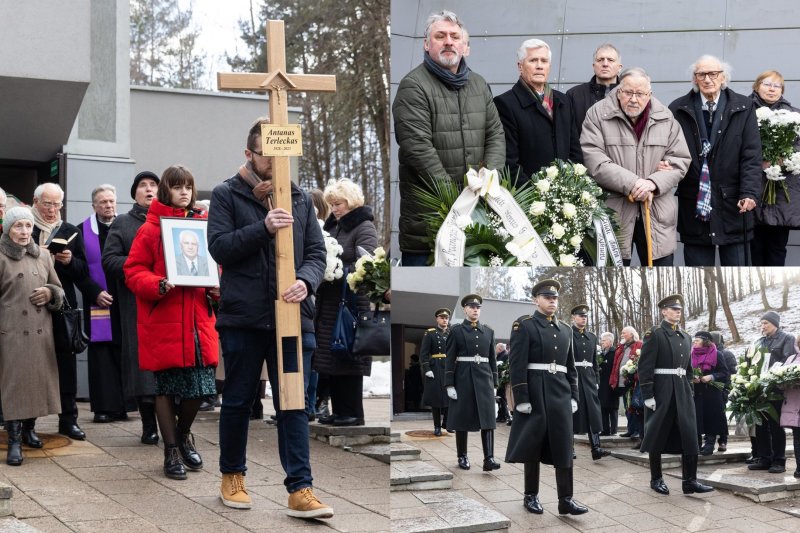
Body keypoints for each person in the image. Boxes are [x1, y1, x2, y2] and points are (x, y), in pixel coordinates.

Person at [208, 118, 332, 517]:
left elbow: (316, 252)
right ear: (249, 153)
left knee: (294, 405)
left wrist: (307, 282)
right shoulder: (227, 194)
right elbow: (219, 248)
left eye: (283, 154)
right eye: (267, 153)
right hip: (244, 320)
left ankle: (300, 488)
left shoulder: (298, 198)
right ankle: (232, 476)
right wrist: (262, 227)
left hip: (293, 319)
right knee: (239, 401)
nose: (276, 161)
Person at [125, 165, 219, 481]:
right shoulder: (151, 229)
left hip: (197, 319)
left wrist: (217, 286)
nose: (184, 192)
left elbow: (215, 267)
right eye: (177, 187)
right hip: (164, 319)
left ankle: (181, 434)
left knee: (199, 387)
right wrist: (158, 284)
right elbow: (133, 271)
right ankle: (171, 450)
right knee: (165, 387)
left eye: (188, 187)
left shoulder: (203, 226)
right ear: (167, 190)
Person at [393, 9, 505, 265]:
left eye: (455, 36)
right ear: (426, 43)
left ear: (466, 46)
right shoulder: (413, 86)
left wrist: (488, 180)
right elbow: (417, 148)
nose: (448, 41)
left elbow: (495, 134)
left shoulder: (479, 84)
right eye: (440, 36)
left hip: (477, 214)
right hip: (429, 222)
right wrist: (458, 200)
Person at [582, 67, 691, 266]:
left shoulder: (665, 118)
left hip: (656, 213)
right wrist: (634, 183)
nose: (633, 99)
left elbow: (680, 161)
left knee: (660, 278)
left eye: (640, 94)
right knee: (611, 279)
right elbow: (594, 159)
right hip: (614, 212)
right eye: (628, 92)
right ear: (618, 90)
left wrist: (652, 183)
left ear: (649, 94)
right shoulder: (598, 114)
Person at [669, 55, 761, 266]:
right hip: (694, 202)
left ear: (723, 77)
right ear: (695, 78)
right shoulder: (678, 108)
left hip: (734, 205)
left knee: (738, 277)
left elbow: (751, 155)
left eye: (713, 74)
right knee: (699, 276)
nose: (708, 79)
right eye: (701, 74)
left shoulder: (744, 107)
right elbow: (669, 149)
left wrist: (749, 192)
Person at [505, 280, 587, 515]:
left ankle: (566, 500)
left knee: (563, 445)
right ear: (535, 300)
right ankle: (530, 495)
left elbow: (570, 367)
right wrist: (521, 396)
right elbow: (516, 363)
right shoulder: (524, 325)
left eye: (555, 298)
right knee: (533, 444)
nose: (552, 300)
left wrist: (574, 395)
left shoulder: (565, 329)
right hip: (535, 392)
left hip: (560, 393)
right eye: (547, 297)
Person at [31, 182, 99, 441]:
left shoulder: (70, 231)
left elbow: (83, 271)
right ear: (36, 202)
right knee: (33, 363)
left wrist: (70, 261)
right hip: (34, 302)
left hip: (63, 305)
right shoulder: (27, 227)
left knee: (66, 362)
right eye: (47, 203)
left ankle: (68, 419)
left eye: (57, 204)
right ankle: (29, 422)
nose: (52, 209)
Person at [0, 207, 65, 465]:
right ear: (8, 229)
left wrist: (51, 293)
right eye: (19, 226)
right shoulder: (1, 256)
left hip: (41, 332)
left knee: (38, 384)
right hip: (11, 332)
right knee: (15, 386)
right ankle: (14, 438)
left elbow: (59, 288)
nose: (25, 232)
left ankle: (29, 429)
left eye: (28, 226)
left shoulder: (44, 256)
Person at [102, 171, 161, 445]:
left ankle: (174, 425)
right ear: (134, 193)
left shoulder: (171, 221)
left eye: (153, 185)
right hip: (136, 303)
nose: (149, 190)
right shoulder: (123, 223)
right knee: (142, 365)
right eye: (143, 186)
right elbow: (110, 260)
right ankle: (149, 424)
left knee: (170, 364)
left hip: (169, 302)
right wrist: (140, 265)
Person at [313, 178, 377, 427]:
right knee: (333, 358)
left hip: (351, 303)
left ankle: (353, 413)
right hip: (331, 302)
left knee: (349, 358)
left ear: (351, 202)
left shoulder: (363, 227)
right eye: (331, 204)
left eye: (338, 203)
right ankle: (340, 411)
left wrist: (337, 268)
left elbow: (367, 265)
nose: (335, 209)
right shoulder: (335, 227)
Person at [638, 294, 713, 496]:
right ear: (664, 311)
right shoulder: (654, 334)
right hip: (662, 390)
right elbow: (645, 366)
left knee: (690, 435)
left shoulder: (686, 337)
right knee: (657, 433)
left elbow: (688, 369)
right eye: (673, 308)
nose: (677, 311)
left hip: (681, 390)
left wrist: (688, 389)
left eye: (679, 308)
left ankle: (690, 481)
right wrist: (648, 394)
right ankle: (656, 478)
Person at [494, 38, 583, 186]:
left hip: (565, 196)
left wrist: (570, 189)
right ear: (520, 66)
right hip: (528, 198)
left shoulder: (563, 101)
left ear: (550, 66)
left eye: (544, 61)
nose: (539, 66)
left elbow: (575, 153)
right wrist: (535, 196)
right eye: (533, 60)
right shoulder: (505, 104)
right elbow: (508, 162)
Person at [80, 185, 132, 424]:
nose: (108, 206)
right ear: (94, 206)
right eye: (103, 202)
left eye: (111, 201)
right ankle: (103, 407)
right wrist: (95, 292)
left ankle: (124, 405)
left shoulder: (126, 226)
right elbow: (79, 271)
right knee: (101, 355)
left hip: (124, 298)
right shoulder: (82, 231)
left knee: (125, 350)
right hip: (98, 301)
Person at [750, 70, 800, 266]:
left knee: (778, 246)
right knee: (754, 246)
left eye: (776, 85)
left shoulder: (794, 115)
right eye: (766, 84)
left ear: (782, 90)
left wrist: (783, 158)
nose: (772, 89)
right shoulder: (744, 111)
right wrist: (760, 159)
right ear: (756, 86)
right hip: (754, 185)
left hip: (782, 189)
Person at [445, 294, 500, 472]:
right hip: (463, 377)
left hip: (484, 378)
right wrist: (449, 384)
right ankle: (462, 455)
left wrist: (495, 383)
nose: (475, 309)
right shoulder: (456, 330)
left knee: (488, 418)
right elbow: (450, 358)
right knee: (462, 418)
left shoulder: (488, 331)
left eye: (478, 307)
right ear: (465, 309)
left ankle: (489, 458)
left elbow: (492, 359)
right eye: (471, 307)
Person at [749, 311, 796, 473]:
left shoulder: (787, 338)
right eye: (761, 324)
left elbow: (788, 360)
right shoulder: (760, 341)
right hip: (759, 388)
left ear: (775, 323)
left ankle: (779, 461)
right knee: (760, 424)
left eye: (766, 324)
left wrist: (773, 375)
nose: (763, 327)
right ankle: (764, 458)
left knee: (775, 425)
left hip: (775, 389)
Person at [570, 304, 610, 460]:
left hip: (589, 378)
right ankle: (569, 448)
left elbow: (594, 361)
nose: (583, 318)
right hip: (575, 377)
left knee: (593, 413)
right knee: (574, 413)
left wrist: (596, 380)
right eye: (580, 316)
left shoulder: (592, 337)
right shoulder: (568, 334)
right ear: (574, 317)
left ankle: (596, 448)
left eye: (585, 316)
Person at [567, 43, 623, 136]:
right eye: (600, 60)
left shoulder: (630, 95)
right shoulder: (574, 95)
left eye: (610, 60)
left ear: (619, 67)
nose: (605, 64)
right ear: (593, 66)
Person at [690, 331, 730, 456]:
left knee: (712, 418)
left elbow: (724, 373)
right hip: (696, 392)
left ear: (706, 341)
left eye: (698, 339)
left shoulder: (716, 354)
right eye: (694, 339)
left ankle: (709, 444)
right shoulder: (690, 354)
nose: (694, 341)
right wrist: (692, 378)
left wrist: (711, 376)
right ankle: (696, 444)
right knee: (697, 418)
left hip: (712, 393)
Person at [420, 308, 451, 436]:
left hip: (449, 367)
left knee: (451, 397)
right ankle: (437, 426)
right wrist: (427, 369)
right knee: (436, 400)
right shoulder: (430, 333)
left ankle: (447, 423)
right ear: (437, 319)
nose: (444, 320)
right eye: (442, 317)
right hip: (435, 367)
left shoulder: (451, 333)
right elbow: (424, 353)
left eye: (446, 318)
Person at [610, 326, 643, 440]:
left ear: (631, 334)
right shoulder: (621, 347)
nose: (622, 335)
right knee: (627, 406)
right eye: (622, 332)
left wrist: (633, 375)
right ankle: (631, 429)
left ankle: (638, 431)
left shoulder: (639, 345)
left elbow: (640, 362)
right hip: (622, 382)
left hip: (634, 382)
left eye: (624, 333)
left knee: (635, 406)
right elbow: (615, 365)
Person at [710, 331, 737, 452]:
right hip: (710, 389)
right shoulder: (707, 353)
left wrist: (726, 388)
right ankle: (710, 439)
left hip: (722, 389)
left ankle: (723, 440)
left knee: (720, 416)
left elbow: (732, 373)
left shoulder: (726, 354)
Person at [779, 347, 800, 478]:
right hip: (794, 406)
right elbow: (779, 383)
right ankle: (799, 468)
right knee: (798, 438)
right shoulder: (791, 359)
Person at [598, 332, 619, 435]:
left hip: (612, 384)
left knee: (613, 408)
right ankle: (605, 430)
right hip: (602, 384)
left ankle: (614, 430)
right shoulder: (601, 353)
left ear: (610, 341)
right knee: (603, 407)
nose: (602, 342)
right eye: (601, 340)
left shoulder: (615, 352)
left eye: (604, 340)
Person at [495, 342, 511, 425]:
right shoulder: (502, 355)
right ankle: (502, 415)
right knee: (500, 399)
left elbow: (504, 367)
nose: (495, 350)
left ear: (500, 348)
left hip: (502, 380)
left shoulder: (504, 355)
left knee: (502, 398)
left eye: (496, 348)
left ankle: (503, 416)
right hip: (500, 379)